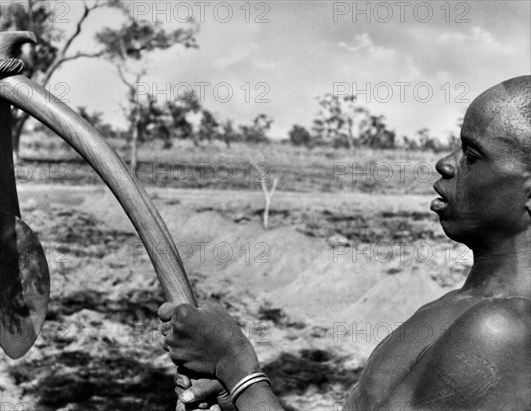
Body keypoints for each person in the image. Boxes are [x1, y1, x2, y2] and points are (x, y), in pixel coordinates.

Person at [159, 75, 531, 411]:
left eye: (472, 155)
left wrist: (237, 367)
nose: (445, 163)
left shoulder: (505, 330)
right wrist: (236, 397)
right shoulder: (462, 307)